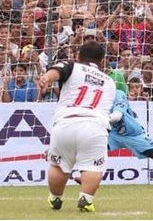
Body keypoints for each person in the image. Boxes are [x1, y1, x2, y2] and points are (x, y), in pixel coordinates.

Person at [38, 41, 116, 212]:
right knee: (92, 166)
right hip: (95, 125)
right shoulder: (110, 82)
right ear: (102, 61)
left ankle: (56, 198)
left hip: (66, 121)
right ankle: (86, 199)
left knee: (59, 165)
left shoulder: (72, 66)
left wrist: (46, 78)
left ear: (78, 56)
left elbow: (58, 71)